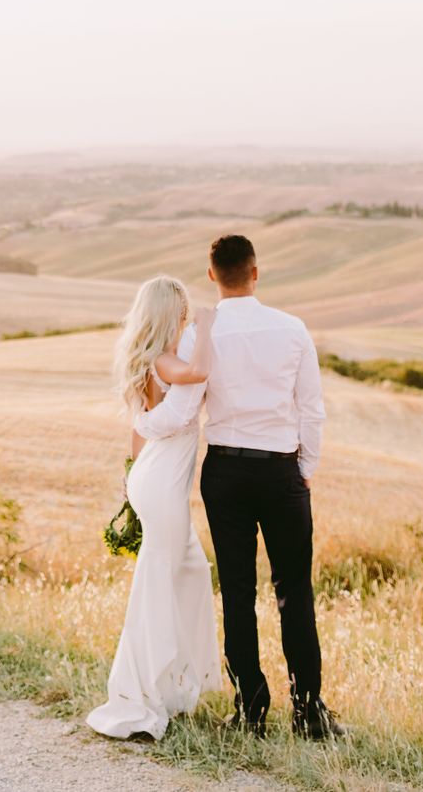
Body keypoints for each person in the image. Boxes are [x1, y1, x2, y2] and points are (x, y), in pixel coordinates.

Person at [133, 234, 339, 739]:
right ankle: (309, 711)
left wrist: (138, 420)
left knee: (239, 594)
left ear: (211, 276)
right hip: (281, 471)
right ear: (256, 271)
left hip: (225, 472)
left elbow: (182, 412)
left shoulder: (196, 338)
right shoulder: (292, 329)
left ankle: (250, 709)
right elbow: (311, 407)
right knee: (295, 592)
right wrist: (304, 466)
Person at [84, 276, 222, 740]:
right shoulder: (166, 360)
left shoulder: (148, 359)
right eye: (182, 311)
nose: (186, 317)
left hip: (152, 476)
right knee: (159, 580)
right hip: (162, 482)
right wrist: (205, 326)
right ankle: (140, 695)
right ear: (171, 313)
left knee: (186, 571)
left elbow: (138, 427)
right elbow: (200, 373)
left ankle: (168, 684)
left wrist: (129, 474)